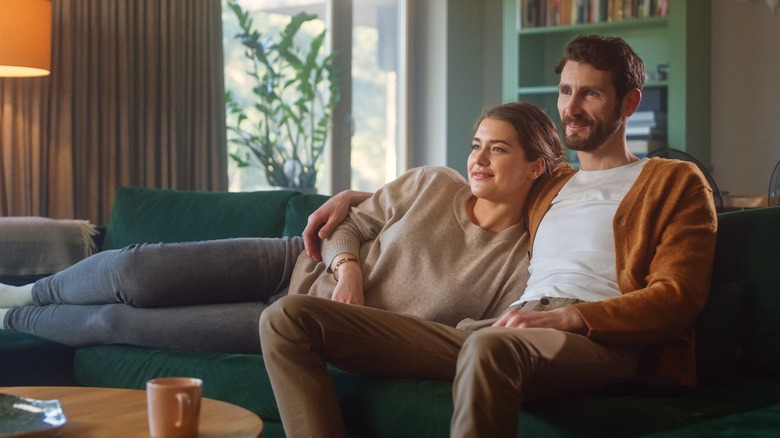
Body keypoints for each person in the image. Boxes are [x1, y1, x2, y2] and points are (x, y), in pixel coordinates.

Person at [260, 34, 718, 437]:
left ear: (629, 103)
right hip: (503, 328)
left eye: (591, 94)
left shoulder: (674, 181)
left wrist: (570, 318)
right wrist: (357, 198)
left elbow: (678, 296)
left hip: (596, 339)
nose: (571, 108)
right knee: (288, 318)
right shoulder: (553, 181)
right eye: (565, 91)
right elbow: (478, 184)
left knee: (489, 347)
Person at [0, 101, 564, 354]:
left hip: (293, 324)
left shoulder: (521, 259)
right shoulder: (433, 184)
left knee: (119, 323)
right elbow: (351, 225)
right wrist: (348, 272)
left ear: (537, 165)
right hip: (291, 261)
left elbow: (473, 329)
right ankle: (21, 292)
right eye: (475, 145)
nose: (478, 160)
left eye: (498, 150)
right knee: (131, 269)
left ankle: (15, 317)